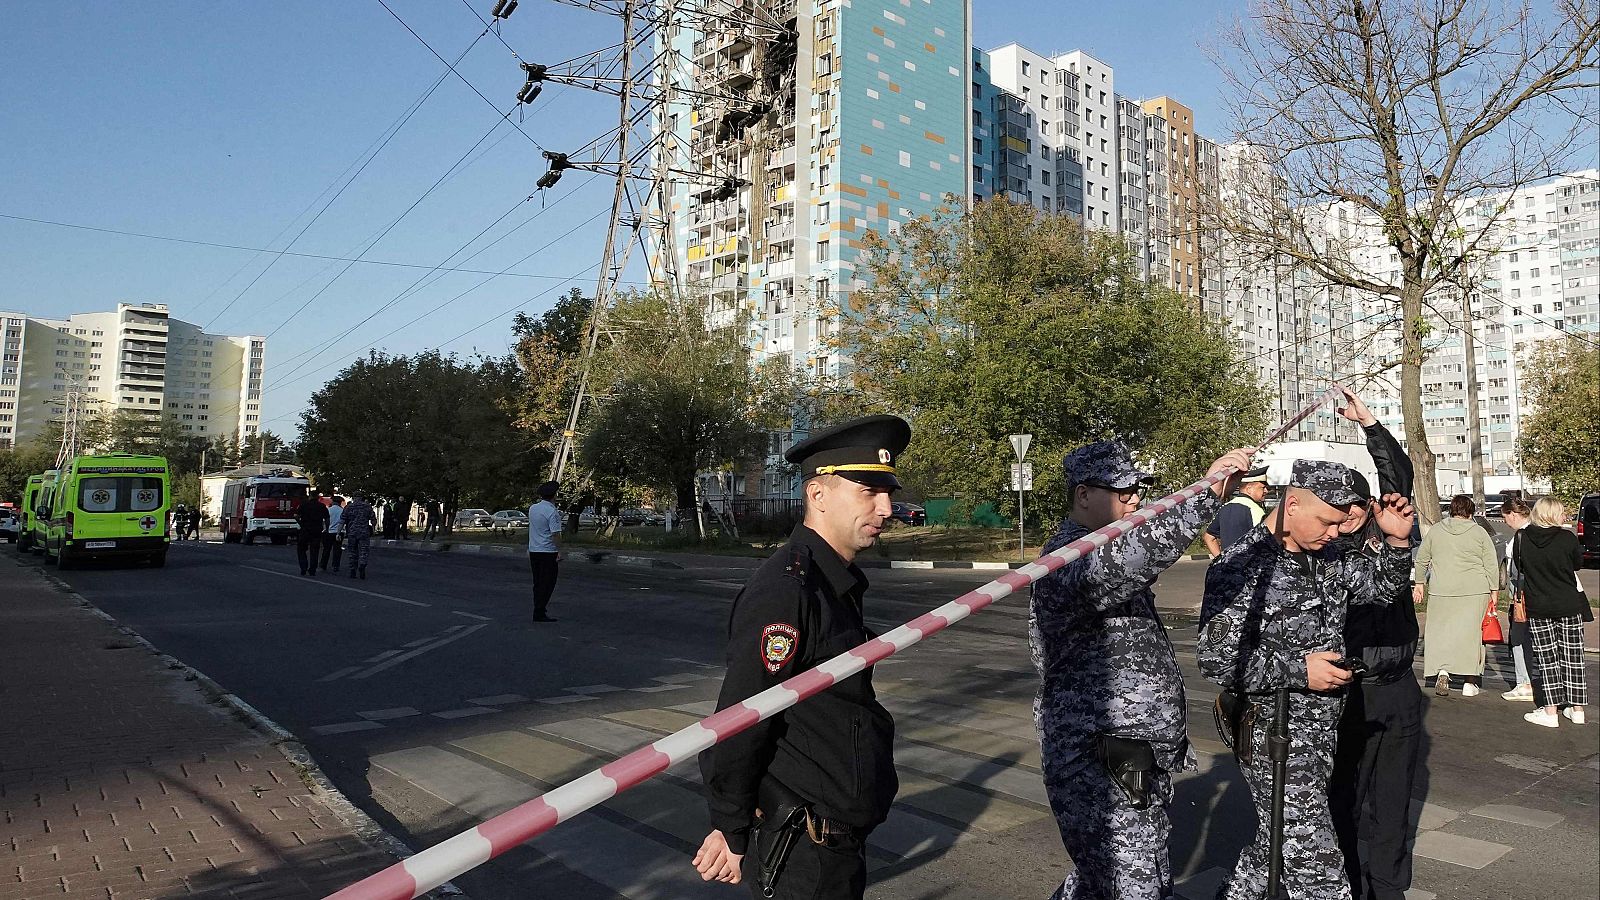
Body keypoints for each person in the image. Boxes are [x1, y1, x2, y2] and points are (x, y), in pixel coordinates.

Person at [693, 415, 907, 899]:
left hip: (833, 842)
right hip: (803, 849)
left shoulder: (833, 582)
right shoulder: (788, 590)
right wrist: (730, 824)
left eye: (888, 493)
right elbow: (743, 715)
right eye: (869, 492)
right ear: (818, 494)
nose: (886, 508)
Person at [1030, 441, 1254, 900]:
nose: (1135, 499)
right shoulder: (1067, 559)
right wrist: (1207, 493)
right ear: (1083, 494)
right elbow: (1139, 555)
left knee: (1105, 883)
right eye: (1123, 491)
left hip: (1129, 758)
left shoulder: (1099, 548)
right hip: (1096, 758)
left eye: (1138, 490)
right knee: (1134, 886)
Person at [1198, 460, 1415, 900]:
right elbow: (1216, 660)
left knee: (1273, 847)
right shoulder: (1241, 566)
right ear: (1292, 504)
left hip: (1322, 730)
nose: (1335, 532)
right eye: (1327, 522)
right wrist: (1300, 669)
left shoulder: (1328, 554)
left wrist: (1396, 541)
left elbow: (1381, 590)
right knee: (1318, 870)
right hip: (1274, 735)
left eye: (1341, 523)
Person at [1327, 387, 1423, 900]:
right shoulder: (1325, 552)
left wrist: (1370, 425)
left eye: (1354, 506)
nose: (1347, 517)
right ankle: (1343, 884)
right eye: (1336, 509)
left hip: (1399, 687)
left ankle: (1388, 887)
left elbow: (1398, 479)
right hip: (1350, 692)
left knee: (1393, 801)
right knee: (1342, 798)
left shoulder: (1391, 531)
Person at [1414, 495, 1499, 696]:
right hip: (1474, 589)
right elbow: (1491, 563)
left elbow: (1422, 559)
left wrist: (1419, 583)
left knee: (1441, 633)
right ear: (1470, 512)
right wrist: (1494, 590)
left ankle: (1442, 671)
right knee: (1471, 635)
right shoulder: (1479, 532)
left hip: (1441, 589)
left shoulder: (1436, 530)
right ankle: (1469, 682)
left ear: (1451, 510)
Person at [1518, 496, 1591, 727]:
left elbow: (1520, 567)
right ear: (1553, 515)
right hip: (1568, 603)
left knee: (1547, 659)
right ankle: (1577, 709)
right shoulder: (1567, 538)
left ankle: (1550, 712)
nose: (1564, 516)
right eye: (1561, 512)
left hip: (1539, 605)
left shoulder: (1522, 538)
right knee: (1573, 657)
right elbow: (1577, 564)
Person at [1499, 497, 1536, 701]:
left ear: (1513, 514)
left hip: (1521, 592)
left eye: (1505, 517)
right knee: (1527, 637)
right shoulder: (1534, 531)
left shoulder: (1522, 535)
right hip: (1529, 591)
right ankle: (1527, 681)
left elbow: (1519, 569)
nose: (1505, 522)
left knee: (1519, 637)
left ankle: (1524, 682)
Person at [1204, 466, 1270, 555]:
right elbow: (1265, 543)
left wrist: (1220, 560)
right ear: (1249, 489)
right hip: (1249, 563)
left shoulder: (1224, 508)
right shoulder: (1256, 510)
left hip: (1229, 563)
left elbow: (1209, 537)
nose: (1266, 491)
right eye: (1263, 487)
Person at [526, 482, 563, 623]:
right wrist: (559, 550)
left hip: (534, 550)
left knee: (538, 582)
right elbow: (555, 534)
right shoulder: (552, 512)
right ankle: (539, 611)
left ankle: (538, 608)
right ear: (554, 495)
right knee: (548, 583)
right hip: (548, 551)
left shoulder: (533, 508)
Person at [343, 491, 377, 579]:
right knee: (364, 550)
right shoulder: (367, 506)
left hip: (352, 532)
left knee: (352, 551)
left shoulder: (349, 507)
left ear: (353, 497)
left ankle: (352, 570)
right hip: (364, 532)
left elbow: (343, 520)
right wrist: (373, 529)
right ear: (362, 497)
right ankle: (362, 565)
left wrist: (339, 532)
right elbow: (373, 520)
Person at [295, 491, 329, 577]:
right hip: (317, 530)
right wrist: (327, 528)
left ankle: (303, 567)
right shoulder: (321, 506)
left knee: (301, 549)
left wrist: (301, 524)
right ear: (317, 497)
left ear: (310, 496)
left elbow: (296, 516)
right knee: (314, 550)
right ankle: (312, 570)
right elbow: (327, 518)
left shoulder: (303, 505)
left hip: (305, 530)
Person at [320, 495, 346, 575]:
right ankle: (335, 565)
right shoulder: (342, 511)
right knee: (337, 550)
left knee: (326, 549)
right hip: (339, 532)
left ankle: (323, 564)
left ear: (333, 502)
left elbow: (324, 521)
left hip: (328, 532)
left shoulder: (329, 510)